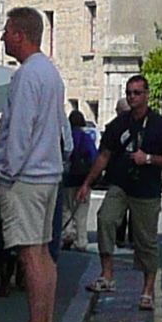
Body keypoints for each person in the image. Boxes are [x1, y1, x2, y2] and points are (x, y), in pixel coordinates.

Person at [0, 10, 66, 322]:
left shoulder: (26, 77)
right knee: (44, 251)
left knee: (30, 253)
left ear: (20, 34)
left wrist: (5, 170)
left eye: (7, 32)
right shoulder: (50, 73)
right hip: (48, 173)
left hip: (27, 177)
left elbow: (19, 129)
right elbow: (61, 129)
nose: (3, 38)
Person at [88, 75, 162, 311]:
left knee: (145, 240)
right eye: (129, 93)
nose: (132, 97)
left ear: (146, 94)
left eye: (137, 93)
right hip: (120, 184)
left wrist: (147, 158)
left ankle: (147, 290)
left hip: (146, 190)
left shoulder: (158, 124)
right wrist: (88, 183)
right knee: (105, 218)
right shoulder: (119, 124)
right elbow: (104, 156)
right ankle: (107, 274)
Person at [60, 103, 99, 251]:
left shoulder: (66, 138)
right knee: (81, 212)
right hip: (83, 179)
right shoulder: (86, 138)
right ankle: (81, 241)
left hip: (68, 179)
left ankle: (67, 234)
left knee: (66, 208)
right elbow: (93, 157)